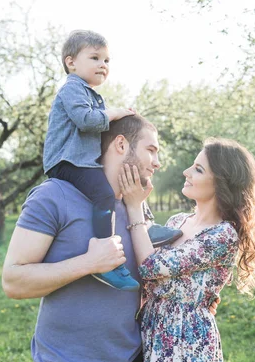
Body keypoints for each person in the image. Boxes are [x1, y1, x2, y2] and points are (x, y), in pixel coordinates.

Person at [3, 115, 218, 362]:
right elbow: (13, 281)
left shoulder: (137, 207)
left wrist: (199, 297)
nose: (158, 162)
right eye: (151, 150)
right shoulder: (54, 195)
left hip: (132, 361)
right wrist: (88, 263)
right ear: (121, 145)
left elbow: (152, 274)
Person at [119, 138, 255, 362]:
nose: (186, 172)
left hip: (187, 346)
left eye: (198, 169)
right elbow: (148, 280)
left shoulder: (223, 235)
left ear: (221, 182)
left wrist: (134, 206)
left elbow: (150, 267)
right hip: (153, 333)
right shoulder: (176, 221)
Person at [42, 30, 180, 291]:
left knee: (128, 174)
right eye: (95, 58)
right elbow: (86, 120)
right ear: (71, 62)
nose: (102, 65)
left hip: (83, 159)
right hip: (67, 161)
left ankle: (147, 226)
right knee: (104, 194)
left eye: (107, 60)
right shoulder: (72, 89)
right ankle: (106, 259)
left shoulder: (90, 94)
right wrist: (115, 112)